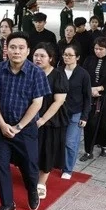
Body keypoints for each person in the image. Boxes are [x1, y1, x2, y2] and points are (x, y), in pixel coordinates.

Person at [0, 32, 50, 210]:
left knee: (30, 166)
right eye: (13, 47)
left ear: (28, 50)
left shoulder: (36, 73)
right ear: (6, 49)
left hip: (26, 130)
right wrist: (1, 124)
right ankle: (7, 204)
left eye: (21, 48)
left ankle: (32, 190)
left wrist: (19, 127)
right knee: (1, 166)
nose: (16, 51)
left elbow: (37, 103)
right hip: (1, 127)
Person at [32, 43, 67, 199]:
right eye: (36, 55)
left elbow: (58, 101)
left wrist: (42, 119)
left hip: (51, 120)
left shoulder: (58, 75)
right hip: (31, 117)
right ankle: (32, 176)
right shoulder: (31, 72)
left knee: (47, 151)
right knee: (33, 150)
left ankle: (41, 183)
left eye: (42, 56)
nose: (38, 59)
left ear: (51, 58)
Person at [80, 37, 106, 161]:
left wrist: (100, 88)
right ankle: (88, 151)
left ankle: (104, 144)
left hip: (104, 96)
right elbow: (83, 76)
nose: (98, 51)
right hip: (89, 94)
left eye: (101, 49)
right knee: (89, 123)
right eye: (96, 48)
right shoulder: (89, 60)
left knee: (102, 122)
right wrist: (89, 89)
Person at [60, 44, 91, 179]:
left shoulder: (83, 74)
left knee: (70, 142)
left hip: (76, 112)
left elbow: (87, 96)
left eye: (70, 55)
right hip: (59, 113)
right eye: (65, 55)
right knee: (59, 141)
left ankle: (68, 169)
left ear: (77, 57)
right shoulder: (58, 71)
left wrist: (85, 116)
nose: (67, 57)